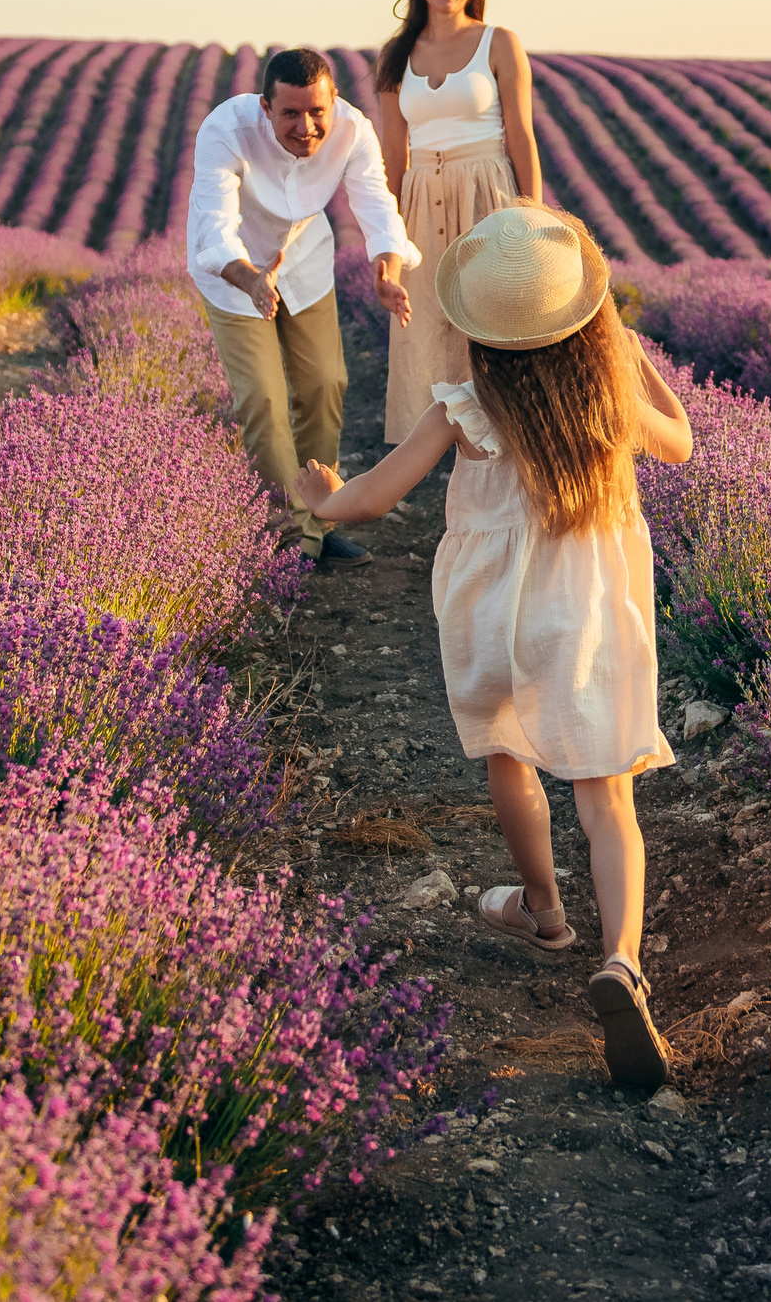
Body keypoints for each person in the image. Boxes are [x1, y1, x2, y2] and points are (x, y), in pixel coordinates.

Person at [293, 202, 692, 1088]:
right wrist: (629, 348)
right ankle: (621, 960)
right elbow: (683, 442)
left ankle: (545, 912)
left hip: (489, 614)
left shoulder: (464, 405)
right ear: (582, 317)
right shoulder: (608, 394)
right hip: (585, 607)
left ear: (479, 328)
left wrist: (320, 495)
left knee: (508, 755)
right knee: (607, 798)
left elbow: (370, 498)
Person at [189, 48, 420, 563]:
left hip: (305, 260)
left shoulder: (352, 129)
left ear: (334, 100)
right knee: (263, 402)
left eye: (318, 111)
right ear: (265, 108)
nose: (307, 126)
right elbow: (214, 224)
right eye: (290, 113)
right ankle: (288, 541)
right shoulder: (225, 128)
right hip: (235, 272)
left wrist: (387, 266)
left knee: (325, 383)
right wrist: (248, 276)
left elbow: (376, 202)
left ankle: (322, 516)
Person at [375, 0, 546, 442]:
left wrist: (531, 220)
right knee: (424, 328)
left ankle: (507, 443)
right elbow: (392, 153)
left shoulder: (499, 43)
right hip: (421, 198)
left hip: (486, 193)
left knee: (493, 322)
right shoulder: (396, 55)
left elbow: (521, 137)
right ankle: (433, 452)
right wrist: (390, 236)